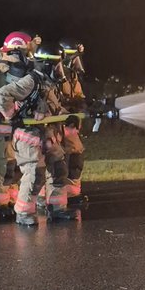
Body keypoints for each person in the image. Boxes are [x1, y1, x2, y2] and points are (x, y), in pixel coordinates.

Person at [0, 42, 75, 226]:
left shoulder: (49, 84)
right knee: (35, 174)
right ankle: (23, 213)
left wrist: (68, 117)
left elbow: (55, 108)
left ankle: (57, 208)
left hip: (47, 133)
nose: (59, 69)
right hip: (28, 136)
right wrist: (12, 116)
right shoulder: (31, 81)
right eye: (56, 64)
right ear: (46, 64)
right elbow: (1, 95)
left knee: (59, 168)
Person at [0, 31, 33, 216]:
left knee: (13, 167)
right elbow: (2, 94)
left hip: (14, 127)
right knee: (0, 168)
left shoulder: (21, 68)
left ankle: (10, 200)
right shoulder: (0, 70)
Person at [57, 38, 87, 202]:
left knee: (74, 157)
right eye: (74, 57)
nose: (77, 62)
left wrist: (82, 105)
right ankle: (58, 195)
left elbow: (78, 97)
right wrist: (67, 112)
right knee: (61, 160)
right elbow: (52, 102)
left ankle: (71, 193)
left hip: (71, 126)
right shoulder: (55, 76)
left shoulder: (73, 76)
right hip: (59, 125)